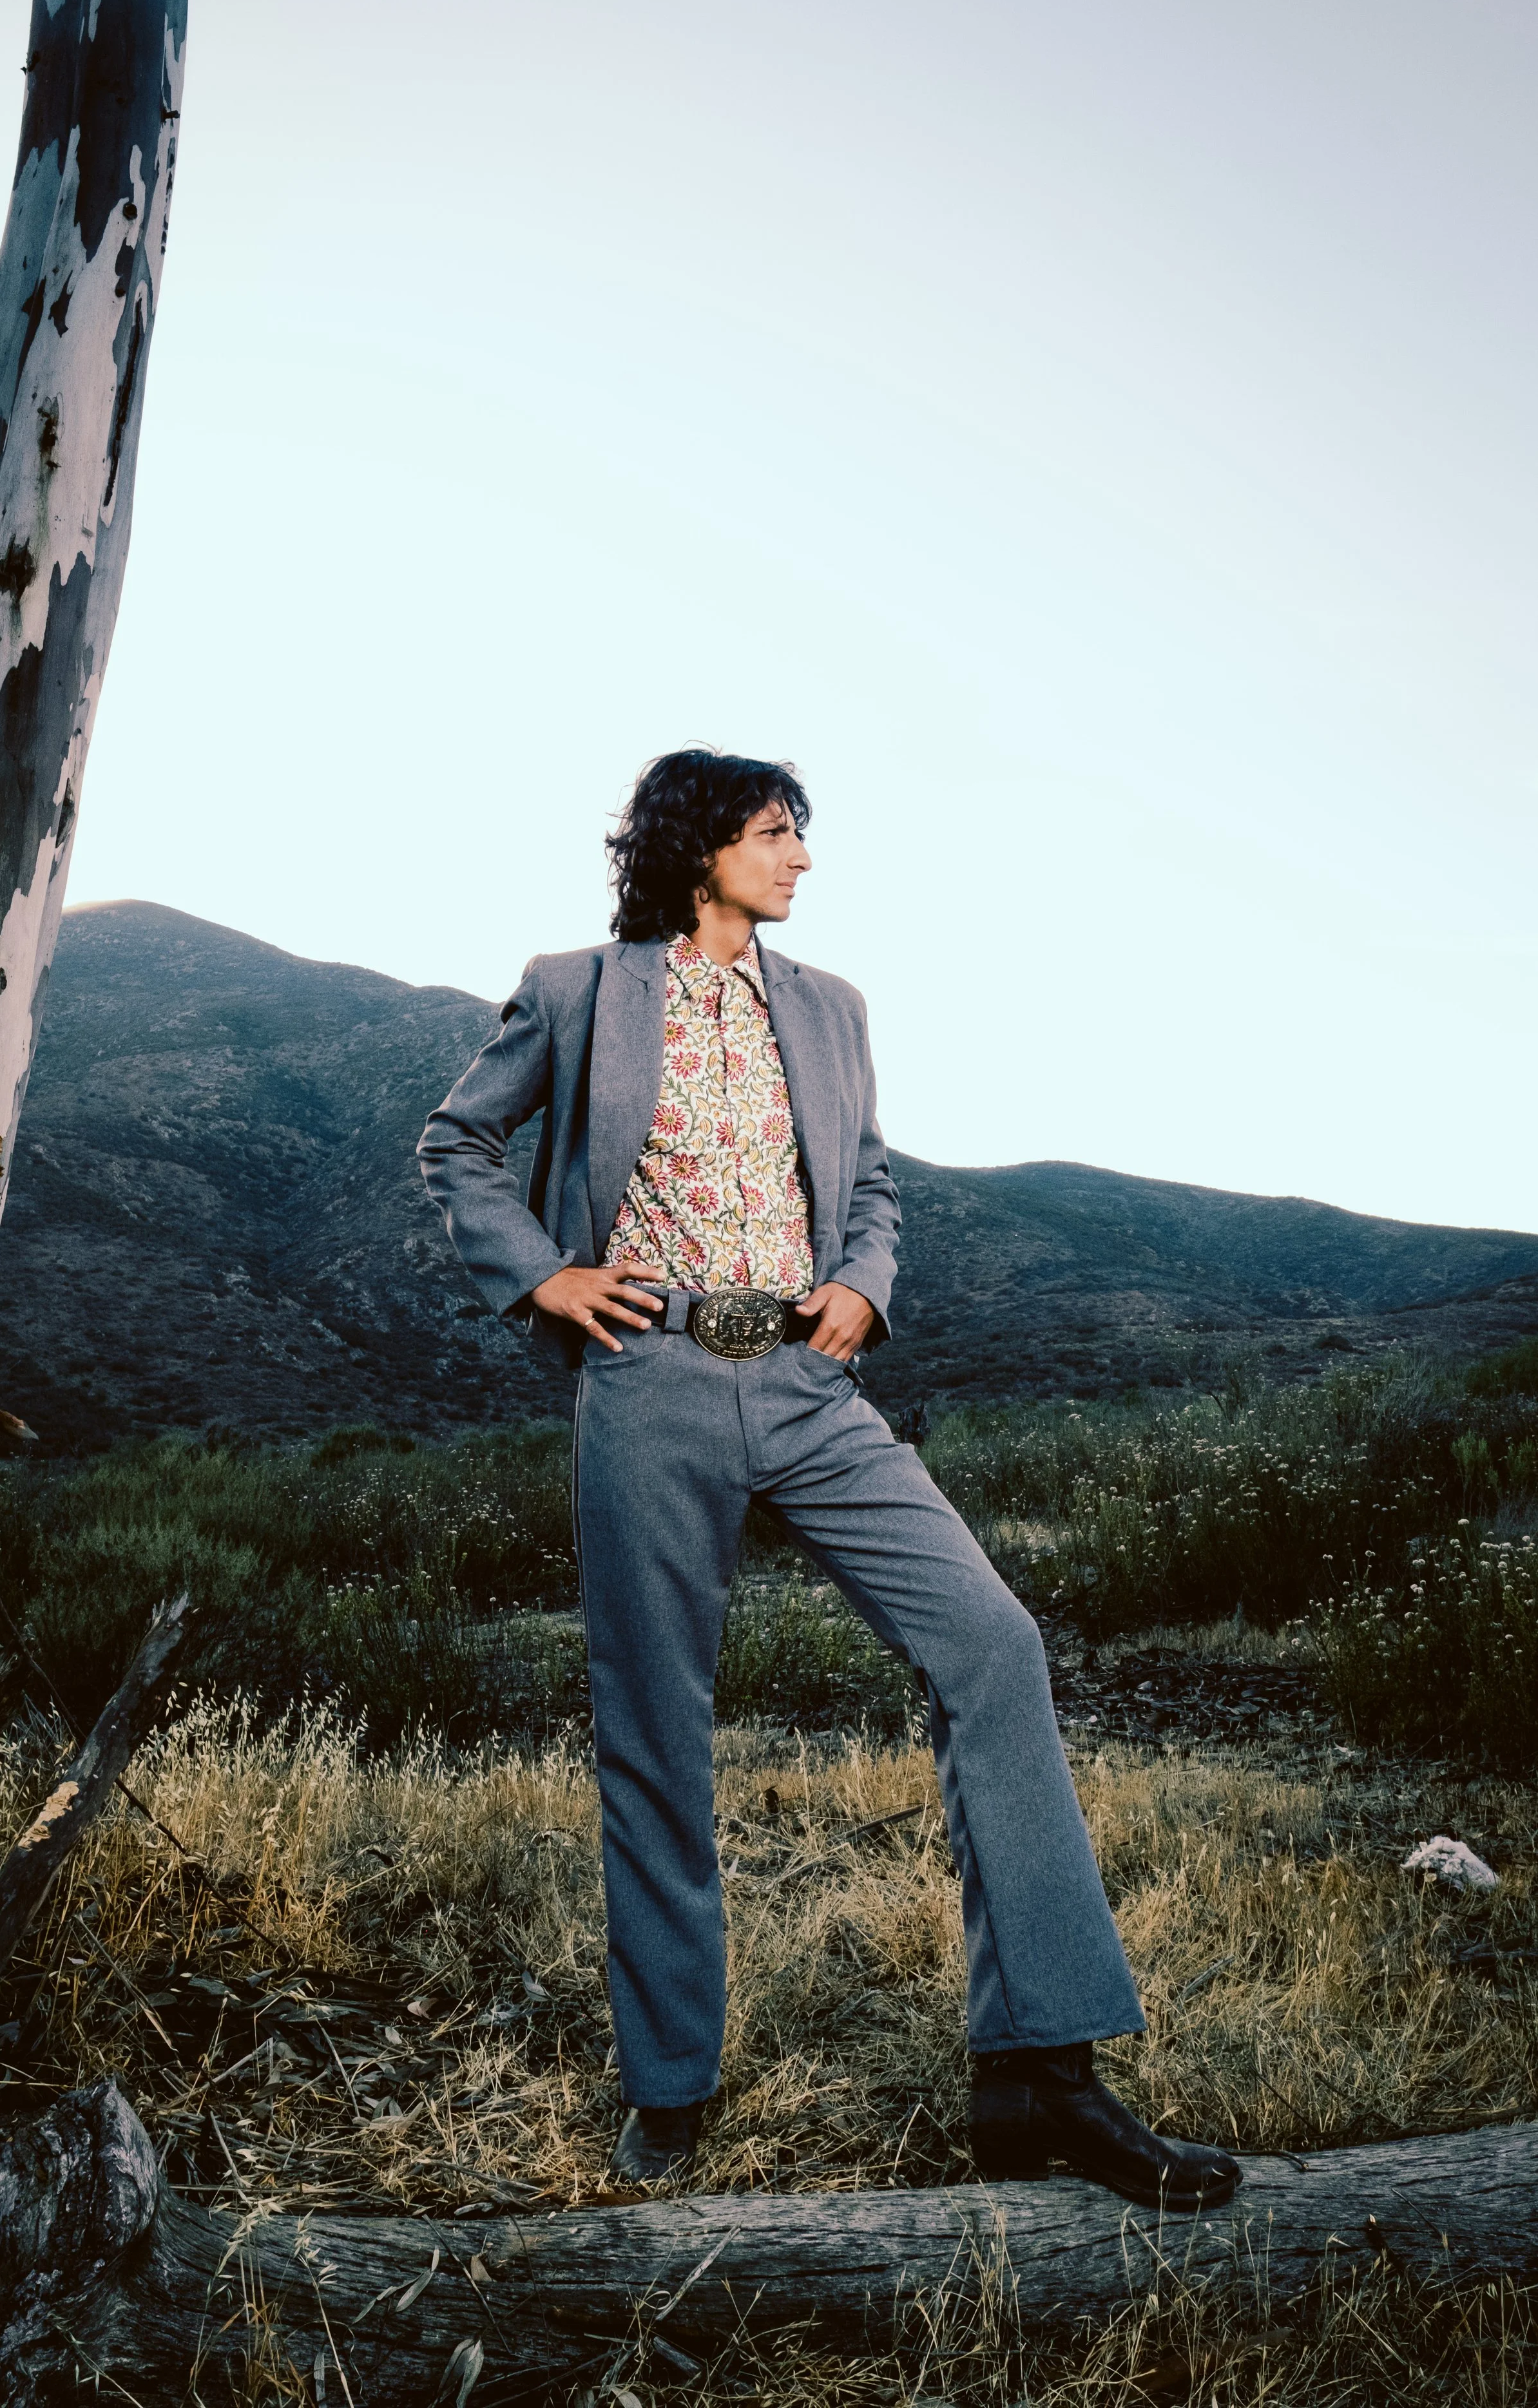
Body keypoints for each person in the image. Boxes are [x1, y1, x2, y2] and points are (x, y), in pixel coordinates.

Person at [418, 748, 1238, 2208]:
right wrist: (543, 1278)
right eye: (775, 833)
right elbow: (458, 1141)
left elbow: (865, 1183)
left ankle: (1039, 2068)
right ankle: (669, 2090)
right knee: (654, 1728)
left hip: (809, 1381)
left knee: (991, 1645)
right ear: (697, 847)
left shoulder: (832, 1009)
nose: (799, 859)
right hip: (650, 1380)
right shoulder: (576, 990)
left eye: (798, 835)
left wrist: (863, 1281)